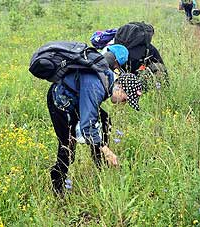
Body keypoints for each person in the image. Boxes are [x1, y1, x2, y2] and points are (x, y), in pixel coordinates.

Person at [47, 44, 143, 197]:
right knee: (67, 146)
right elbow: (87, 126)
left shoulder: (110, 78)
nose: (124, 103)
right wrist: (107, 151)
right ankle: (58, 187)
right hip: (60, 103)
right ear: (120, 88)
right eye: (126, 99)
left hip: (76, 100)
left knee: (105, 120)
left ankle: (100, 165)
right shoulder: (96, 87)